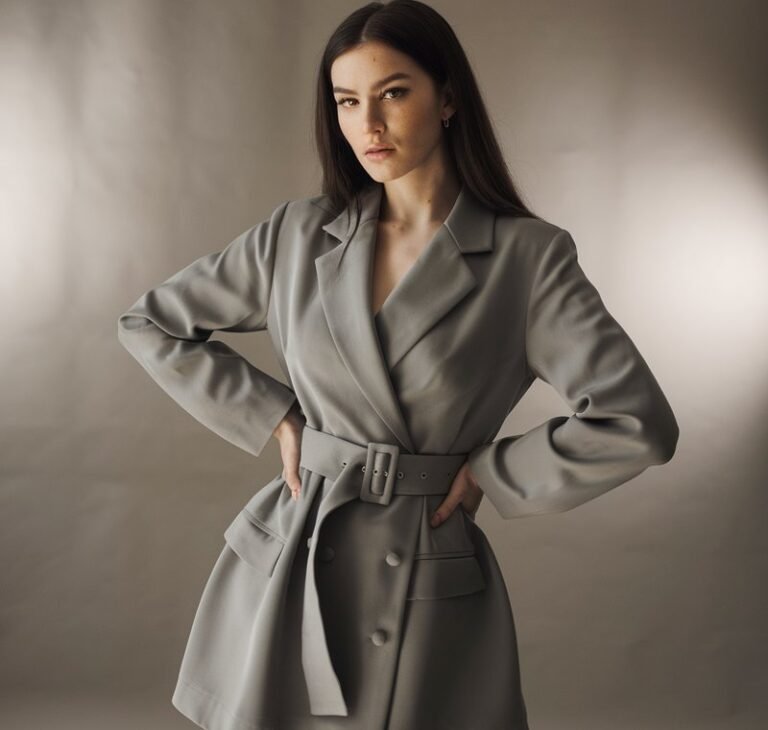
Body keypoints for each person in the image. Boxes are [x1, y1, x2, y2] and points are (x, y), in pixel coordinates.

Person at [116, 1, 679, 728]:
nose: (368, 125)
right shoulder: (296, 235)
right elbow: (150, 321)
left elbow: (635, 421)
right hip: (298, 554)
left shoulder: (526, 259)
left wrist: (492, 472)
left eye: (394, 93)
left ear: (447, 99)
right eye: (348, 101)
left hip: (421, 569)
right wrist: (275, 414)